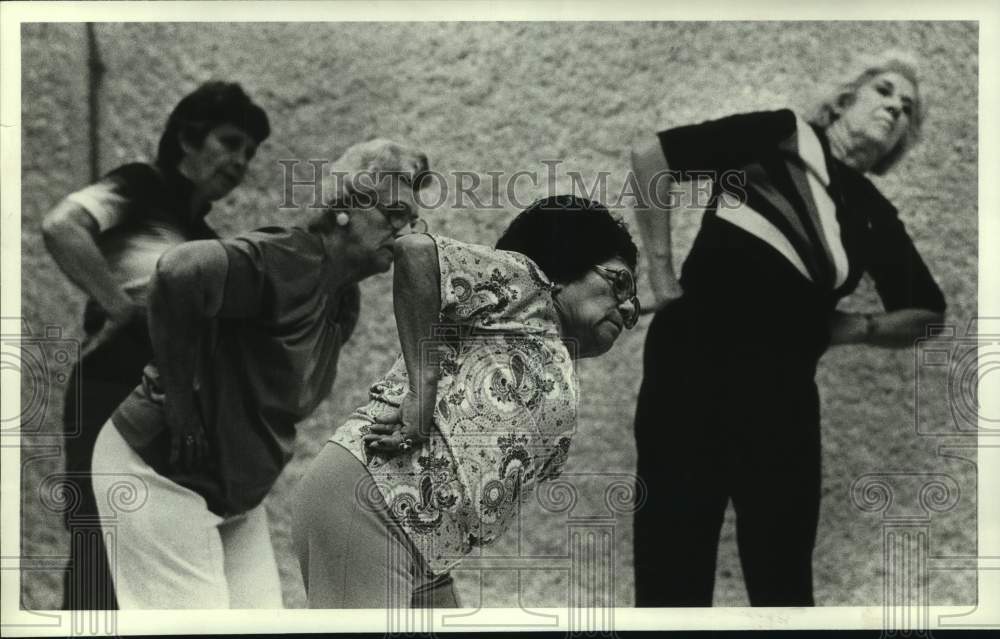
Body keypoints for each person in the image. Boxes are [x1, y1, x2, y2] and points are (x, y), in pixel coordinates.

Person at [629, 52, 946, 606]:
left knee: (783, 583)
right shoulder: (780, 135)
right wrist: (659, 272)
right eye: (885, 92)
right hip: (690, 372)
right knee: (671, 570)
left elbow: (927, 314)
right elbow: (652, 155)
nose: (895, 108)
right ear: (846, 99)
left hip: (783, 399)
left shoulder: (872, 211)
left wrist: (853, 327)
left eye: (906, 109)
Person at [89, 139, 431, 609]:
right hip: (158, 473)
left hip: (235, 498)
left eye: (410, 220)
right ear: (346, 206)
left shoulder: (342, 300)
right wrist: (181, 405)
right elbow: (177, 272)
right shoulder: (286, 258)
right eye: (393, 214)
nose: (404, 231)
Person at [293, 195, 641, 608]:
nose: (629, 307)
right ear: (565, 267)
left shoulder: (551, 357)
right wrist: (421, 396)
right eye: (620, 283)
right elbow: (416, 251)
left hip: (426, 543)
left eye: (635, 305)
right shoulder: (529, 286)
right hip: (373, 501)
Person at [40, 81, 270, 610]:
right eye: (230, 142)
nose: (240, 161)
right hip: (113, 379)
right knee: (101, 536)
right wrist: (119, 306)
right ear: (188, 139)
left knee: (152, 550)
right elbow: (62, 227)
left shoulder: (202, 234)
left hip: (168, 393)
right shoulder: (141, 185)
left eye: (249, 153)